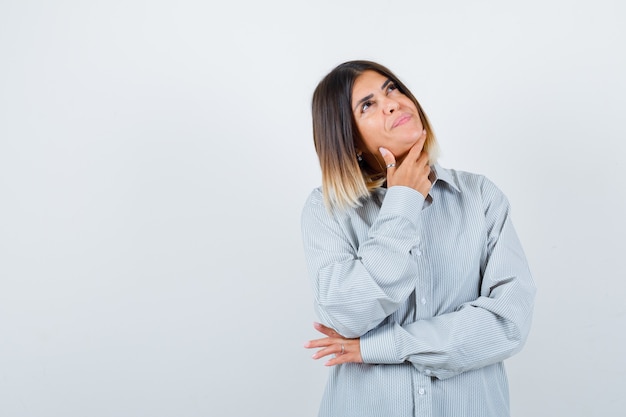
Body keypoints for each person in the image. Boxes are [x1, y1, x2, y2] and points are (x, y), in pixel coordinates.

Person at [301, 60, 536, 417]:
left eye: (391, 88)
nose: (391, 103)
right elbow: (347, 315)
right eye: (368, 105)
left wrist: (378, 347)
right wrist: (403, 203)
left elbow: (508, 323)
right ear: (349, 139)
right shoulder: (327, 209)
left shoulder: (481, 196)